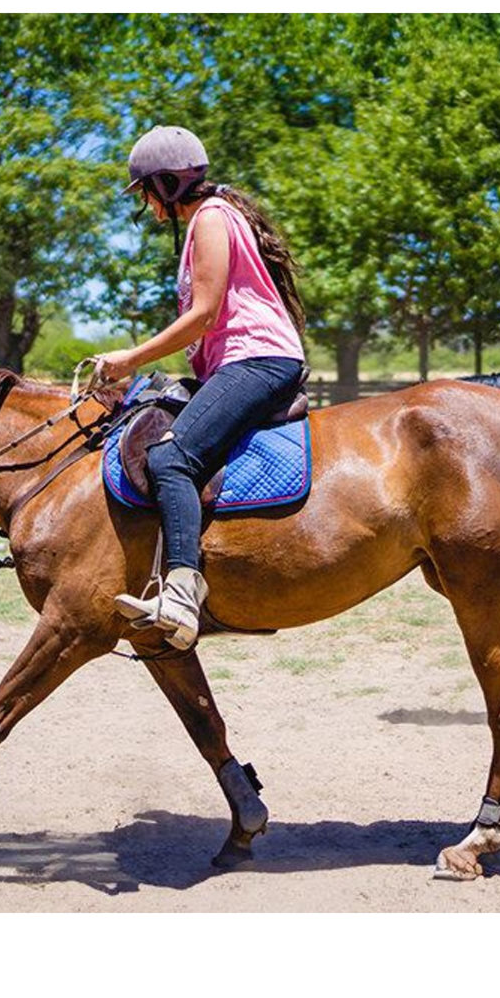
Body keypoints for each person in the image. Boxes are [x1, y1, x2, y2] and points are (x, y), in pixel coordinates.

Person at [94, 125, 308, 649]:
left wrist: (131, 357)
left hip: (257, 359)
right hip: (237, 363)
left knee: (171, 459)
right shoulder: (213, 218)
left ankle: (183, 593)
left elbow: (206, 314)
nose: (146, 205)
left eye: (146, 191)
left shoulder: (211, 219)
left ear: (167, 184)